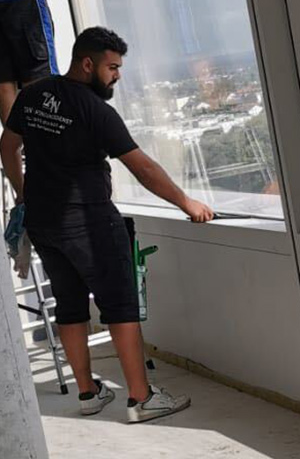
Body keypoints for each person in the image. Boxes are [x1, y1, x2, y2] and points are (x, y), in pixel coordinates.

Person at [0, 26, 214, 422]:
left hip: (45, 222)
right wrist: (187, 202)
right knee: (119, 305)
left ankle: (87, 393)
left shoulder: (33, 95)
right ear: (88, 64)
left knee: (69, 306)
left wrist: (23, 193)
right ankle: (140, 398)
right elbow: (143, 168)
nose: (117, 76)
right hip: (91, 221)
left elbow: (7, 146)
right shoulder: (95, 110)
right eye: (112, 67)